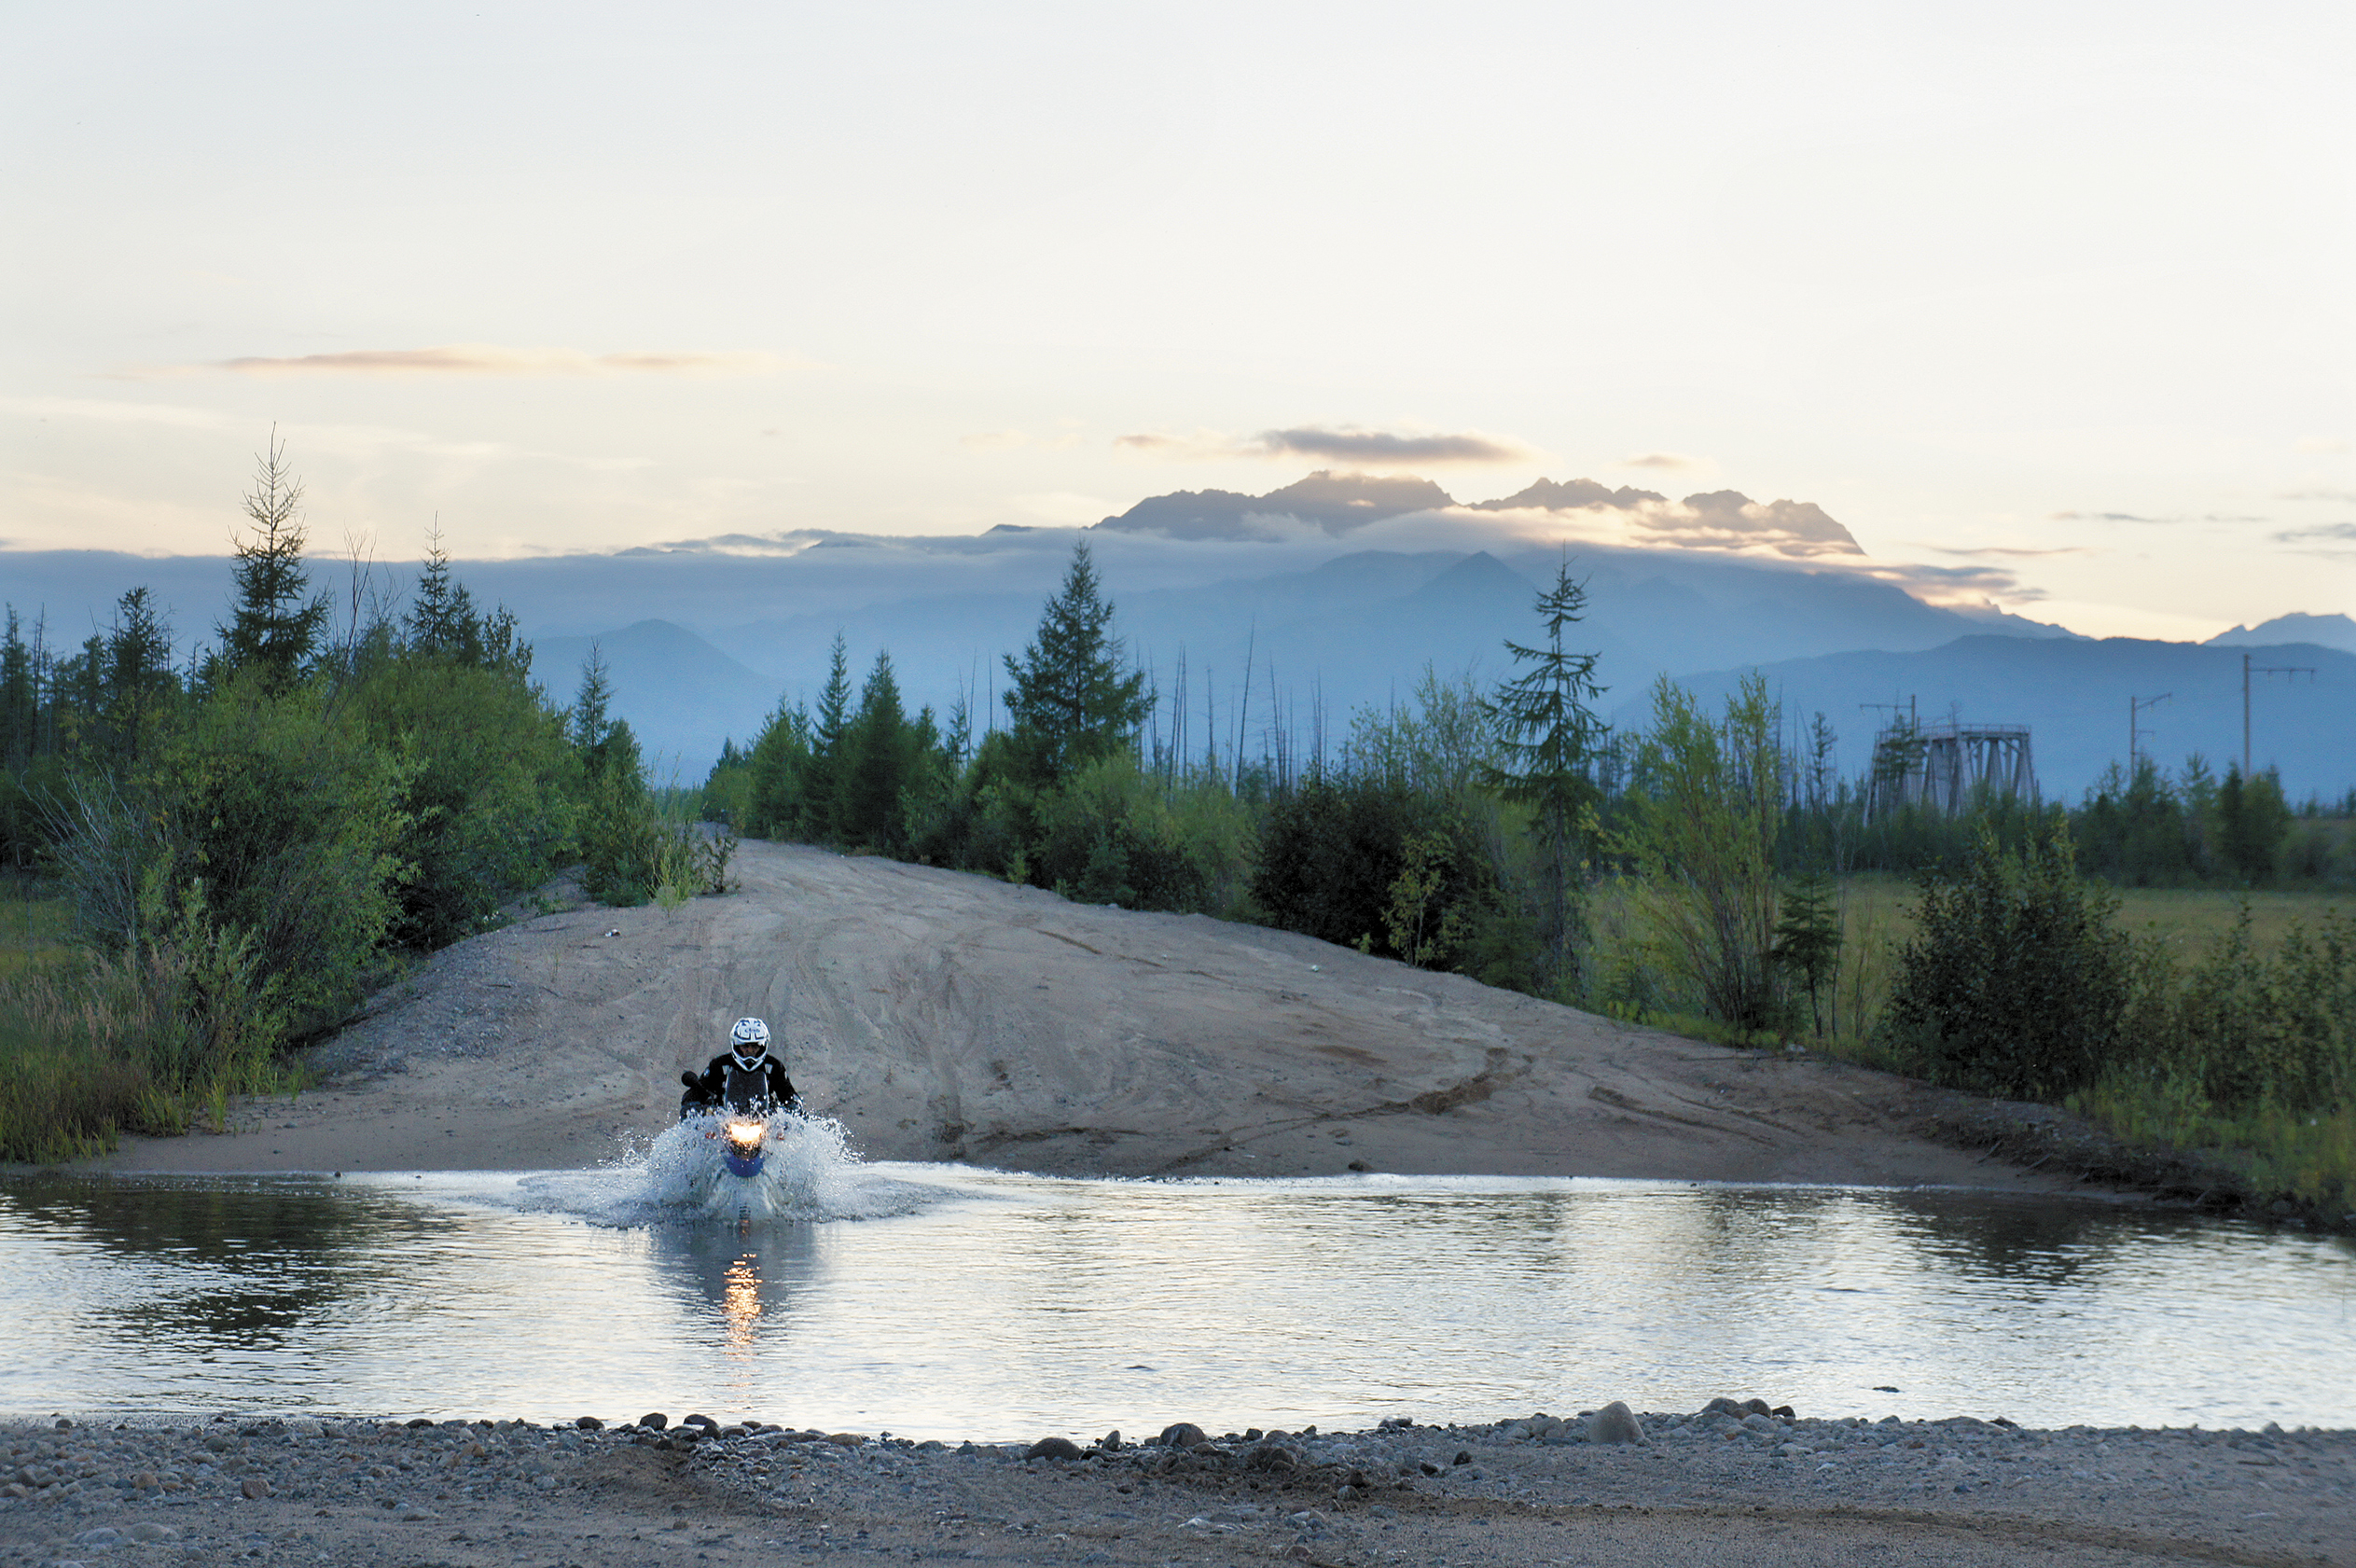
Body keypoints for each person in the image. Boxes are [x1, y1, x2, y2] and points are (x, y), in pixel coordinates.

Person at [679, 1018, 800, 1119]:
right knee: (693, 1140)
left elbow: (789, 1095)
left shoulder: (773, 1067)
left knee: (791, 1138)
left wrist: (791, 1109)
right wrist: (693, 1107)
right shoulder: (720, 1065)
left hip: (764, 1123)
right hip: (722, 1123)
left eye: (755, 1047)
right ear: (736, 1045)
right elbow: (698, 1091)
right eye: (745, 1046)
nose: (750, 1051)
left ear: (763, 1046)